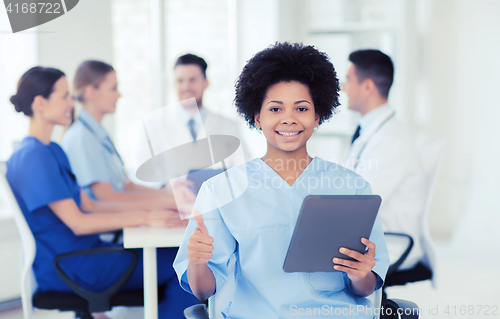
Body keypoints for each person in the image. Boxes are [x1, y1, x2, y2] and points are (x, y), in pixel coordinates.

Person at [173, 43, 390, 318]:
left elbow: (366, 288)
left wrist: (361, 275)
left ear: (317, 116)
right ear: (257, 117)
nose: (289, 119)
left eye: (301, 109)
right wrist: (197, 262)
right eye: (275, 109)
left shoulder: (353, 187)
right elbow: (203, 291)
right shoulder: (221, 191)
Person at [6, 66, 198, 318]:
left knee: (181, 256)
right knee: (186, 263)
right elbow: (78, 223)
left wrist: (155, 209)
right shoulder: (33, 157)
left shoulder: (51, 150)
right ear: (40, 103)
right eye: (63, 96)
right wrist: (144, 218)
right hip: (73, 265)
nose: (71, 102)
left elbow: (91, 205)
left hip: (85, 256)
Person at [61, 60, 194, 209]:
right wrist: (167, 202)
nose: (119, 95)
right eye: (113, 88)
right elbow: (107, 197)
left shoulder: (98, 135)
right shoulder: (81, 138)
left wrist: (170, 195)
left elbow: (126, 186)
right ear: (91, 92)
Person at [342, 49, 426, 270]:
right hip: (371, 238)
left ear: (368, 87)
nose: (343, 87)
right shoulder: (372, 130)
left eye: (348, 80)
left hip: (390, 244)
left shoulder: (391, 139)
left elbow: (361, 202)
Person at [172, 54, 248, 164]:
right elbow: (140, 176)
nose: (186, 87)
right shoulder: (155, 127)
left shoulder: (228, 127)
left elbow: (245, 169)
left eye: (192, 80)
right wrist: (166, 182)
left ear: (206, 83)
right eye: (180, 81)